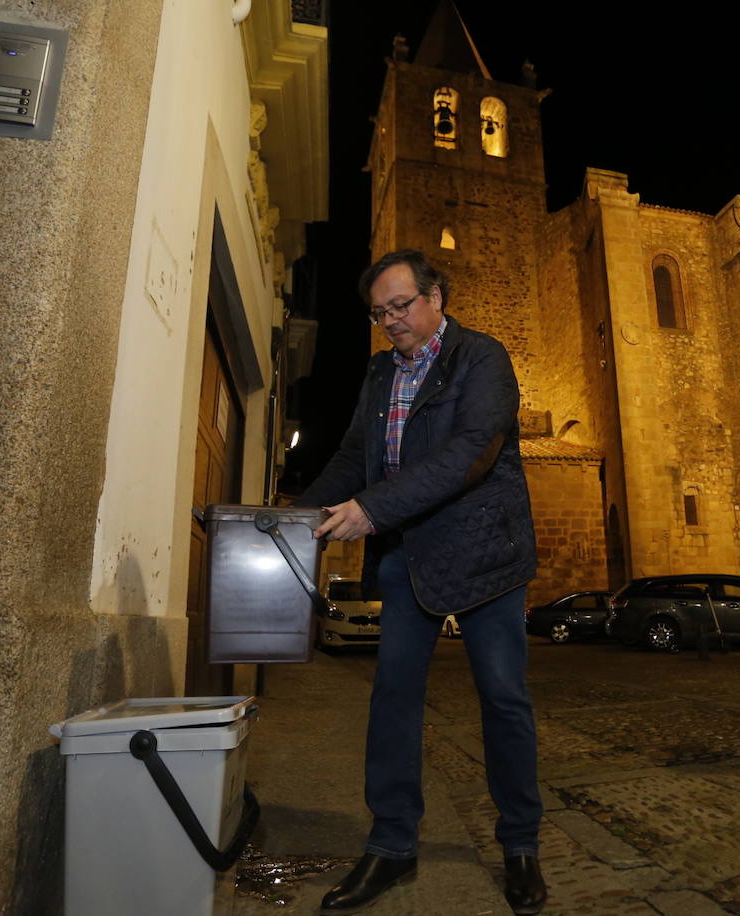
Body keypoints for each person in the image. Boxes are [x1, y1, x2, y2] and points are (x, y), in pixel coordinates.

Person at [298, 250, 547, 915]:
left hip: (486, 554)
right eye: (379, 313)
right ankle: (391, 846)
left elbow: (470, 451)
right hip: (411, 556)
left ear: (437, 296)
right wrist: (295, 513)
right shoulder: (381, 371)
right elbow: (358, 454)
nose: (390, 323)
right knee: (394, 699)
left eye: (401, 306)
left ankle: (520, 844)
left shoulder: (483, 359)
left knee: (502, 698)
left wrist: (374, 509)